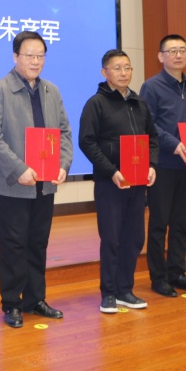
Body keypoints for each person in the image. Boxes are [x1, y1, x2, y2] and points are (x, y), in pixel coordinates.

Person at [0, 31, 72, 328]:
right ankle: (12, 303)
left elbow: (64, 132)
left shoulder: (51, 91)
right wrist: (19, 168)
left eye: (40, 56)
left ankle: (35, 299)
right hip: (13, 185)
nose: (35, 61)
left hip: (46, 184)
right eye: (29, 55)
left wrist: (63, 164)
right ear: (15, 57)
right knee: (13, 245)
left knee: (38, 243)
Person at [79, 49, 158, 314]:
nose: (123, 73)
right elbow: (87, 142)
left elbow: (153, 138)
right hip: (110, 183)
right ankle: (109, 293)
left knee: (134, 238)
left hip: (137, 182)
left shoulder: (139, 103)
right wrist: (111, 171)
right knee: (111, 239)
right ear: (105, 72)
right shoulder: (96, 103)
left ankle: (125, 290)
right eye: (117, 68)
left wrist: (151, 165)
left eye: (127, 67)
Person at [139, 34, 186, 298]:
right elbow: (149, 124)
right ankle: (159, 278)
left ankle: (177, 272)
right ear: (161, 56)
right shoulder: (151, 86)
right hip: (163, 164)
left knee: (181, 222)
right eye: (172, 51)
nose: (178, 55)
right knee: (159, 223)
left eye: (182, 50)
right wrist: (173, 143)